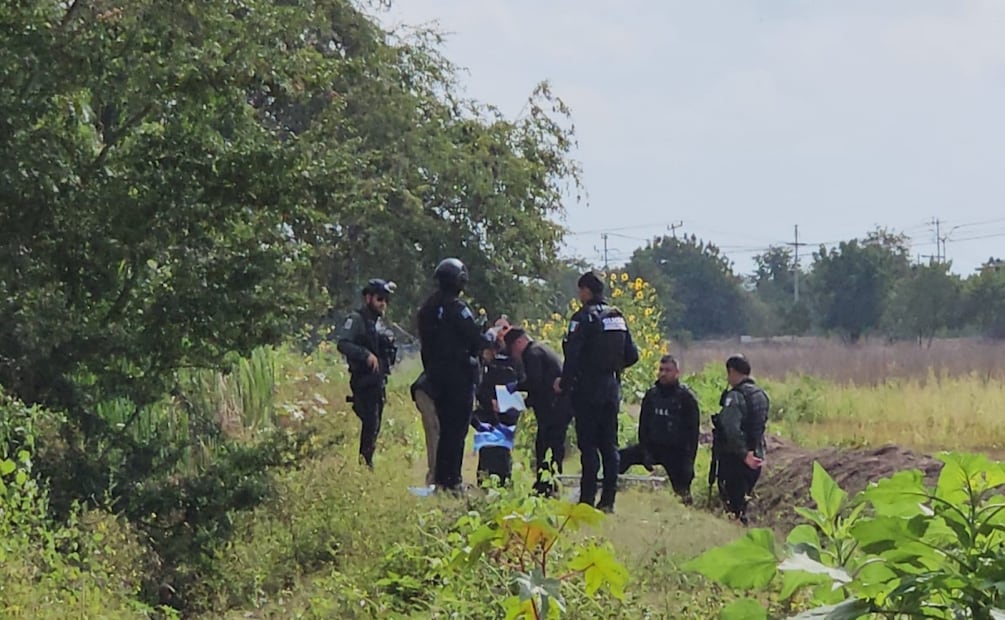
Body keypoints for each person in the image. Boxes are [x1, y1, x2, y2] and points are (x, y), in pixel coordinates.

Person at [556, 271, 640, 512]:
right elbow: (632, 355)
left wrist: (564, 382)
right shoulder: (617, 317)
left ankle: (587, 500)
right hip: (611, 388)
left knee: (589, 445)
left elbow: (572, 356)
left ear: (586, 291)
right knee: (609, 446)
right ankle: (608, 501)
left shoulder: (583, 318)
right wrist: (612, 368)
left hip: (588, 389)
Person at [416, 257, 488, 493]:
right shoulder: (458, 308)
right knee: (456, 431)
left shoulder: (426, 309)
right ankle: (452, 481)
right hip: (459, 378)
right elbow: (475, 339)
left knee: (444, 430)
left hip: (436, 377)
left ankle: (441, 480)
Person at [618, 355, 700, 505]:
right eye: (661, 370)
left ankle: (687, 512)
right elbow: (643, 426)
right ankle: (605, 487)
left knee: (682, 490)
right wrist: (645, 452)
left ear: (677, 372)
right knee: (620, 457)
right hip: (653, 448)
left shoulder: (687, 398)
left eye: (667, 370)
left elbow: (693, 434)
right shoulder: (652, 395)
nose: (663, 373)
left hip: (677, 453)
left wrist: (689, 462)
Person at [336, 278, 398, 468]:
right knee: (370, 423)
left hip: (377, 382)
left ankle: (366, 464)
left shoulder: (377, 323)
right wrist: (365, 355)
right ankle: (365, 466)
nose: (383, 304)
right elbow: (343, 344)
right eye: (379, 299)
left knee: (375, 424)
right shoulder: (356, 319)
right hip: (363, 381)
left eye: (386, 300)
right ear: (368, 298)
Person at [504, 326, 573, 497]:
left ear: (519, 342)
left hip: (554, 406)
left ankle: (549, 486)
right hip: (558, 405)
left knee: (548, 446)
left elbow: (536, 384)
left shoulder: (532, 354)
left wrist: (517, 395)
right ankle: (547, 484)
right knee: (549, 445)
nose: (514, 356)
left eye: (513, 350)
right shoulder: (540, 349)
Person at [710, 354, 770, 525]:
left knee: (733, 508)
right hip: (756, 457)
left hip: (736, 459)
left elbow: (731, 429)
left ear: (732, 371)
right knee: (743, 502)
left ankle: (737, 540)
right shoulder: (761, 395)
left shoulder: (735, 397)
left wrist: (744, 455)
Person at [471, 327, 521, 486]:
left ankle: (502, 481)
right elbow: (479, 388)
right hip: (490, 415)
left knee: (500, 451)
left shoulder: (510, 362)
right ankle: (489, 482)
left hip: (504, 413)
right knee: (488, 451)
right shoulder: (484, 365)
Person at [409, 371, 439, 486]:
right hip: (425, 392)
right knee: (433, 431)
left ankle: (438, 476)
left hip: (435, 393)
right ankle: (433, 477)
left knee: (438, 432)